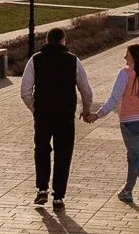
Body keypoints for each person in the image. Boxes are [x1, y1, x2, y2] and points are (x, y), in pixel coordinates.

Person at [19, 26, 93, 210]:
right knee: (63, 154)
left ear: (46, 41)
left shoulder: (35, 60)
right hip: (65, 115)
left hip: (43, 115)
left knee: (42, 151)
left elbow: (25, 91)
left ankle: (41, 189)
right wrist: (86, 110)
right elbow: (86, 91)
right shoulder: (73, 60)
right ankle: (58, 197)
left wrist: (34, 108)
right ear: (63, 41)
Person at [86, 42, 139, 210]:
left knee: (137, 158)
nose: (124, 58)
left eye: (127, 55)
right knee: (133, 157)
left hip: (130, 123)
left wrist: (97, 115)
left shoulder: (125, 74)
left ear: (134, 57)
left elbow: (114, 99)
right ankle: (127, 191)